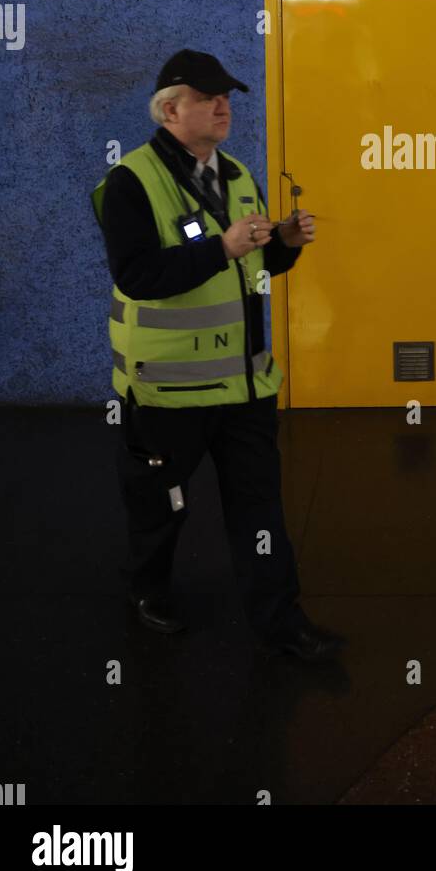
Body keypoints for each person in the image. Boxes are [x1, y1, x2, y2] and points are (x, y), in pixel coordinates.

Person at [91, 49, 345, 663]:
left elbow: (253, 266)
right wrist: (222, 248)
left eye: (226, 96)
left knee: (260, 509)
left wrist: (282, 244)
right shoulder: (128, 182)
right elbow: (137, 274)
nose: (223, 106)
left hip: (245, 388)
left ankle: (280, 617)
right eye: (208, 98)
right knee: (160, 504)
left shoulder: (237, 176)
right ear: (170, 109)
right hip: (168, 391)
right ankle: (148, 591)